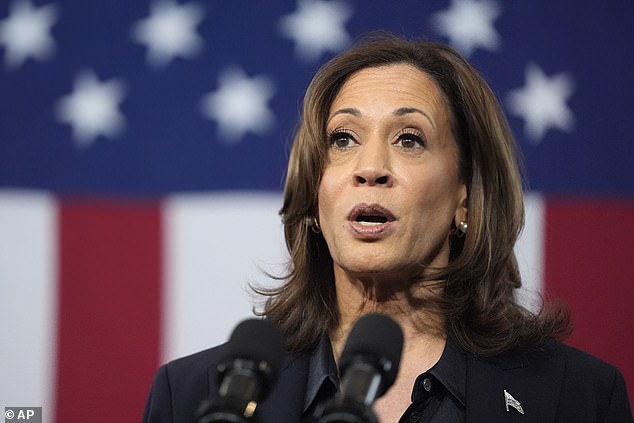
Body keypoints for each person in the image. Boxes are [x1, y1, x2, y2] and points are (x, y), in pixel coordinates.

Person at [143, 34, 632, 423]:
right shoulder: (194, 396)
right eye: (343, 139)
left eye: (409, 139)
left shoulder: (577, 398)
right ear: (315, 196)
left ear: (465, 197)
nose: (370, 167)